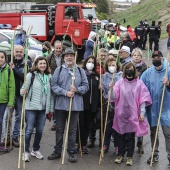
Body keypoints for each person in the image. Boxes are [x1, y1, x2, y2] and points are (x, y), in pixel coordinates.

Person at [48, 48, 89, 163]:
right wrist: (65, 92)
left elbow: (86, 86)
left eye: (71, 56)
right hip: (60, 105)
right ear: (64, 58)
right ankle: (57, 151)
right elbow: (53, 85)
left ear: (75, 58)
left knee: (72, 131)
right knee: (59, 130)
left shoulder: (80, 71)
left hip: (75, 106)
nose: (69, 58)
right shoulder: (59, 70)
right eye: (67, 56)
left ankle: (71, 152)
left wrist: (76, 89)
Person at [112, 62, 152, 166]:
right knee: (120, 135)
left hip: (133, 115)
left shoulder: (139, 84)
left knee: (130, 136)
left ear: (134, 71)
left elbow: (143, 99)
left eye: (131, 68)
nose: (129, 70)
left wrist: (142, 113)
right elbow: (113, 97)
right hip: (121, 114)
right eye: (127, 68)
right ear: (124, 70)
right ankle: (120, 154)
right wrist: (111, 88)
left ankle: (129, 156)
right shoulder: (120, 83)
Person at [21, 57, 54, 162]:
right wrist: (23, 91)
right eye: (40, 63)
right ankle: (26, 152)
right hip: (31, 107)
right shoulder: (31, 75)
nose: (43, 65)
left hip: (43, 109)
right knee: (29, 130)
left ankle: (35, 149)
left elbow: (51, 95)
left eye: (44, 63)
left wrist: (50, 109)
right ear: (36, 64)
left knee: (39, 131)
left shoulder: (49, 77)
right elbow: (22, 90)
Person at [141, 51, 170, 166]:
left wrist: (168, 84)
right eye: (154, 57)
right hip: (152, 109)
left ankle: (169, 156)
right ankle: (154, 153)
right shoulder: (147, 73)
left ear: (162, 58)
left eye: (158, 57)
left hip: (166, 109)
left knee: (168, 133)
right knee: (153, 133)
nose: (156, 59)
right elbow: (141, 89)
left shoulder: (168, 71)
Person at [3, 45, 32, 147]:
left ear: (23, 52)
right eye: (17, 51)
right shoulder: (8, 60)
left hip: (19, 94)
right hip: (9, 94)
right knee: (7, 117)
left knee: (19, 117)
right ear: (13, 52)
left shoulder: (27, 63)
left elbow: (25, 77)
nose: (18, 53)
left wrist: (14, 69)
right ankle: (6, 136)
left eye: (20, 51)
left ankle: (15, 136)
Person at [76, 56, 100, 154]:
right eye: (89, 61)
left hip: (92, 106)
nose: (90, 63)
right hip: (81, 104)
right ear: (85, 62)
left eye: (92, 62)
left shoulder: (97, 76)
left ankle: (84, 144)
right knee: (79, 125)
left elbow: (97, 92)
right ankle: (77, 143)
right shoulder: (80, 74)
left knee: (87, 126)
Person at [101, 58, 122, 153]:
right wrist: (102, 89)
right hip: (107, 103)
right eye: (110, 65)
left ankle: (117, 145)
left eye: (113, 65)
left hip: (118, 104)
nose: (111, 67)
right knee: (107, 125)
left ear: (117, 66)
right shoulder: (104, 76)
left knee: (117, 126)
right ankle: (105, 144)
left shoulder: (121, 76)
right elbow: (103, 92)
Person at [46, 40, 64, 131]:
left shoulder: (65, 56)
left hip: (63, 83)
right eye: (56, 48)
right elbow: (45, 67)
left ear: (62, 48)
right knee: (55, 102)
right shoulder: (49, 56)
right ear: (54, 47)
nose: (58, 50)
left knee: (61, 102)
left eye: (59, 48)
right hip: (53, 82)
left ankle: (62, 122)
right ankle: (55, 122)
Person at [0, 51, 15, 153]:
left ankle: (1, 142)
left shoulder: (9, 70)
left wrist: (10, 102)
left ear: (5, 58)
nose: (0, 59)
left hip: (3, 101)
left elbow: (11, 87)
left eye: (2, 57)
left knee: (1, 122)